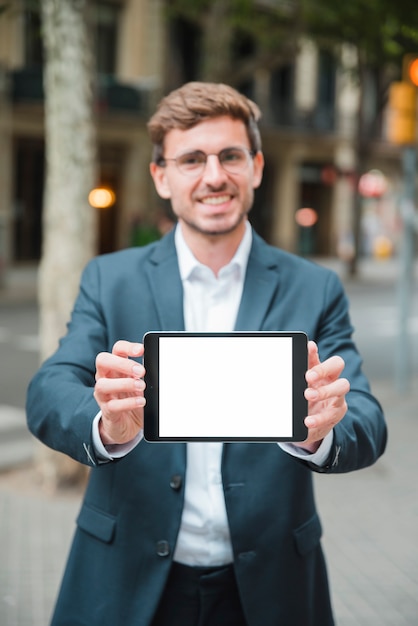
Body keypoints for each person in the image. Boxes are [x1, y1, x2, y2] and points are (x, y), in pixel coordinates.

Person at [26, 81, 387, 626]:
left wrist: (320, 430)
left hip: (269, 589)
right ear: (161, 176)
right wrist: (104, 425)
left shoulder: (315, 288)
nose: (214, 176)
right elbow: (47, 391)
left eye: (230, 156)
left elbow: (368, 420)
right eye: (191, 159)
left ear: (257, 167)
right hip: (126, 580)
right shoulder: (110, 278)